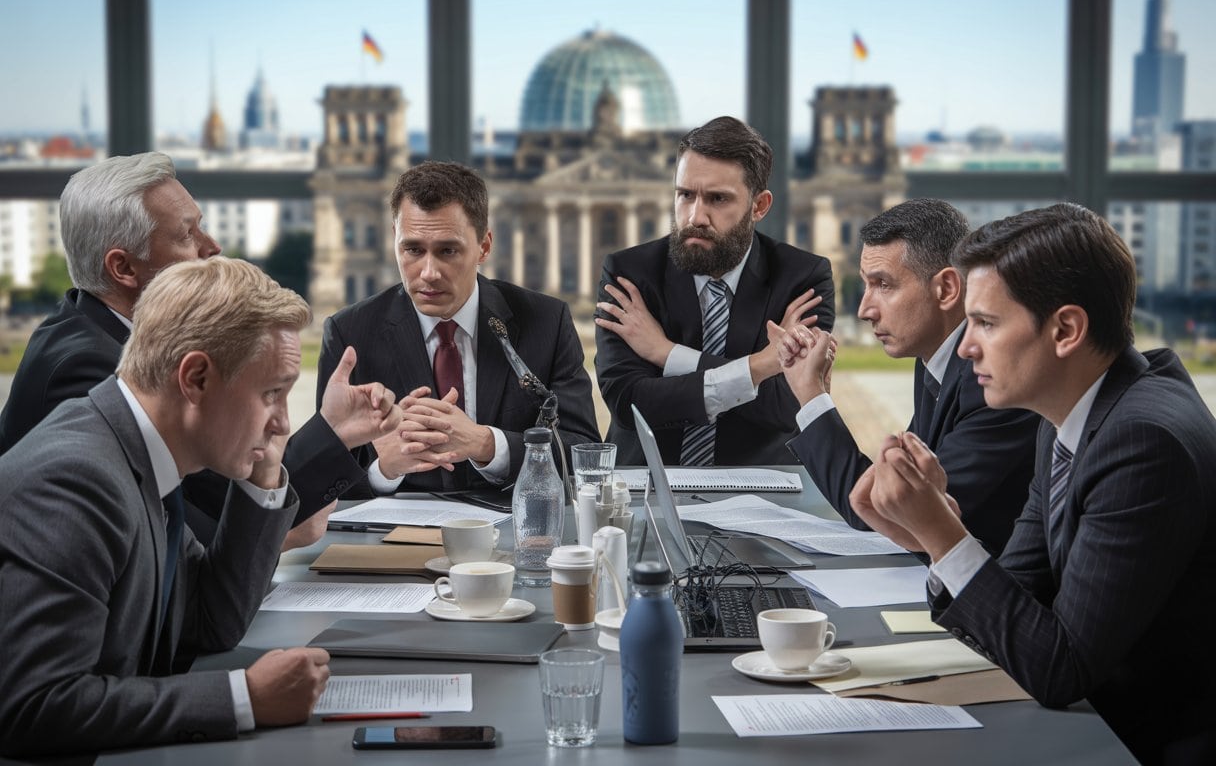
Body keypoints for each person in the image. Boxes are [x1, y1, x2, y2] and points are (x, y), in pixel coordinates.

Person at [853, 204, 1216, 765]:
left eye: (987, 323)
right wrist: (924, 536)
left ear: (1066, 330)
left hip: (1138, 745)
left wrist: (941, 534)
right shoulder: (1073, 412)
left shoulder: (1144, 441)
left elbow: (1059, 668)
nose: (967, 347)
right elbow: (1021, 587)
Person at [0, 258, 332, 756]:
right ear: (195, 377)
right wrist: (244, 697)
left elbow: (210, 619)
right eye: (272, 394)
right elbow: (36, 705)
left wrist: (264, 474)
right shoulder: (75, 479)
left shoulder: (135, 449)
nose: (284, 421)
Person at [0, 152, 399, 548]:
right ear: (123, 268)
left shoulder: (104, 337)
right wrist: (283, 528)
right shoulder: (87, 368)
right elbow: (208, 527)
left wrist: (335, 432)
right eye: (187, 234)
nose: (213, 247)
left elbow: (223, 486)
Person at [318, 161, 600, 496]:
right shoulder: (349, 333)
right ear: (394, 241)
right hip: (393, 542)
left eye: (447, 250)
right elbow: (319, 483)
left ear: (484, 246)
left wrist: (486, 444)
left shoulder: (546, 321)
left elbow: (584, 454)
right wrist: (385, 468)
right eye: (412, 249)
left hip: (516, 537)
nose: (428, 273)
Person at [778, 199, 1038, 555]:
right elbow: (894, 488)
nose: (864, 309)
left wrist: (811, 395)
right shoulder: (935, 359)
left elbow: (895, 509)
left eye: (882, 284)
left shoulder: (990, 382)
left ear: (946, 289)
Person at [594, 116, 834, 466]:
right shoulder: (628, 274)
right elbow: (628, 403)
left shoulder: (801, 278)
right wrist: (759, 367)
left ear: (759, 206)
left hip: (760, 489)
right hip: (646, 482)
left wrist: (668, 354)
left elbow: (789, 407)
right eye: (685, 195)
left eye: (717, 199)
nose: (695, 217)